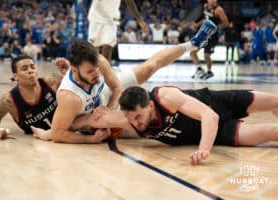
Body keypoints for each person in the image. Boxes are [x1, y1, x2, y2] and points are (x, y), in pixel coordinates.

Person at [32, 20, 218, 143]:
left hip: (106, 98)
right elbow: (59, 134)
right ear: (74, 69)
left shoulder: (98, 61)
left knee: (149, 67)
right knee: (131, 130)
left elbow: (116, 86)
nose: (97, 72)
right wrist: (90, 140)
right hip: (88, 116)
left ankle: (192, 43)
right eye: (90, 71)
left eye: (97, 67)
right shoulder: (69, 96)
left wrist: (111, 106)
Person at [118, 85, 278, 165]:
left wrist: (203, 150)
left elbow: (210, 115)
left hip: (218, 103)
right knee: (272, 132)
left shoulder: (165, 97)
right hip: (214, 132)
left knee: (275, 101)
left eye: (138, 116)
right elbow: (93, 120)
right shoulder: (129, 118)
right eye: (130, 118)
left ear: (151, 106)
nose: (134, 122)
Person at [0, 55, 67, 141]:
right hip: (36, 144)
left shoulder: (52, 81)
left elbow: (78, 86)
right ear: (15, 76)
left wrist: (68, 72)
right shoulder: (8, 100)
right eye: (24, 69)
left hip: (67, 129)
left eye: (32, 67)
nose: (30, 71)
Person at [191, 0, 229, 80]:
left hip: (212, 36)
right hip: (204, 34)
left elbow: (226, 23)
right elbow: (204, 18)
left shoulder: (219, 10)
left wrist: (215, 28)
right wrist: (197, 24)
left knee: (206, 55)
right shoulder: (205, 6)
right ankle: (199, 70)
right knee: (192, 52)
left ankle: (209, 71)